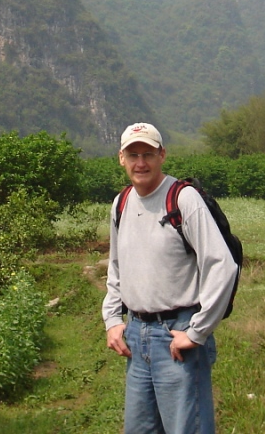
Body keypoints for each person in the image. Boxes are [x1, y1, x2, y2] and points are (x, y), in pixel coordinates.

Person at [103, 122, 239, 434]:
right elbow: (116, 267)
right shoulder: (121, 203)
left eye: (148, 154)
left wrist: (196, 332)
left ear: (162, 155)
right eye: (133, 154)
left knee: (186, 428)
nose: (141, 163)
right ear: (121, 158)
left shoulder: (183, 199)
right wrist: (112, 319)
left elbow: (222, 265)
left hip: (177, 334)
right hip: (137, 336)